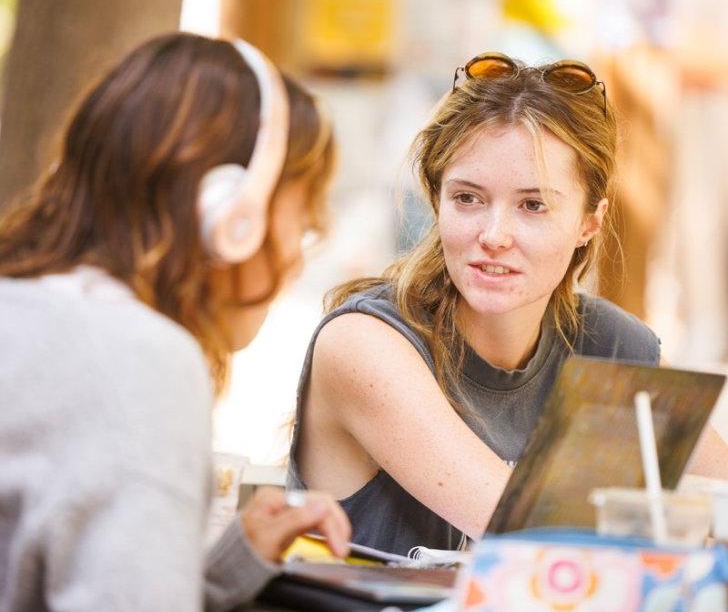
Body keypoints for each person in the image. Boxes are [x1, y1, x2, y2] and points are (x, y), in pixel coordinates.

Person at [0, 32, 351, 612]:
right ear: (230, 216)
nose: (299, 255)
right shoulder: (136, 361)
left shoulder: (25, 312)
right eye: (299, 218)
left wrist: (225, 566)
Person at [289, 52, 728, 556]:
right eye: (468, 199)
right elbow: (532, 536)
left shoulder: (611, 345)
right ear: (437, 201)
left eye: (533, 205)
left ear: (591, 221)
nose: (494, 235)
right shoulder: (366, 344)